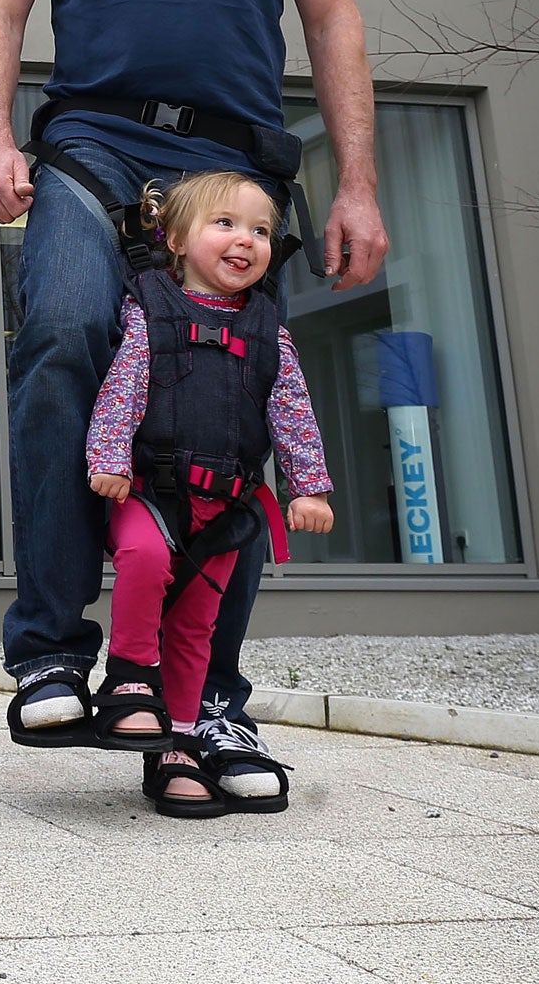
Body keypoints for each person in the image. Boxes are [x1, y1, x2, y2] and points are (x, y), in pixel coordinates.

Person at [0, 0, 388, 804]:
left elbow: (333, 21)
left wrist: (352, 182)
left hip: (233, 166)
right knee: (60, 332)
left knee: (231, 409)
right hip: (93, 147)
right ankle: (51, 648)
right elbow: (0, 10)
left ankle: (199, 713)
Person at [85, 172, 334, 817]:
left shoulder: (269, 330)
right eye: (225, 224)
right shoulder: (150, 310)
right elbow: (123, 391)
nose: (246, 240)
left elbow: (293, 413)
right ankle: (132, 678)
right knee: (144, 559)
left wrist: (309, 487)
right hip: (151, 494)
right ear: (173, 237)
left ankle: (179, 747)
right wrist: (108, 458)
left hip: (227, 508)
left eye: (260, 231)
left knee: (199, 624)